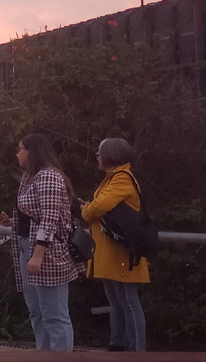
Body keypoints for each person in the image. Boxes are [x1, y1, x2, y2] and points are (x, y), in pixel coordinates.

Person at [0, 134, 81, 351]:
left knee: (55, 315)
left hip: (47, 254)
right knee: (37, 312)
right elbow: (34, 216)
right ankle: (44, 355)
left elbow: (49, 220)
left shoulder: (49, 177)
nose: (17, 153)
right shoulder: (29, 177)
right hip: (26, 247)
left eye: (20, 148)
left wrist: (38, 255)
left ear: (32, 151)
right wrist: (11, 222)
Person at [80, 138, 149, 351]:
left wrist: (87, 209)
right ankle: (118, 345)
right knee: (116, 302)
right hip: (110, 252)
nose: (97, 158)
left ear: (109, 156)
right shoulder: (113, 179)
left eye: (100, 154)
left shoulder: (122, 179)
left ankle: (137, 350)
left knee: (128, 301)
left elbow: (97, 208)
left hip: (122, 253)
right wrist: (92, 208)